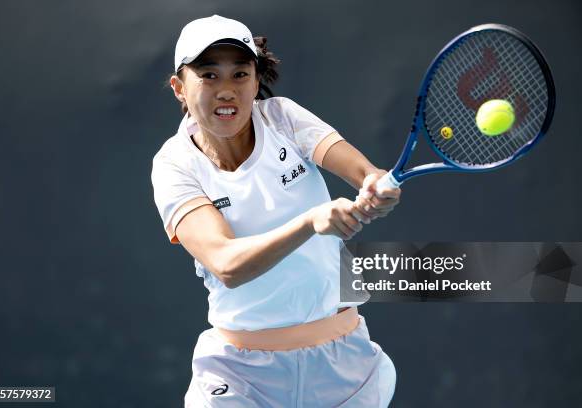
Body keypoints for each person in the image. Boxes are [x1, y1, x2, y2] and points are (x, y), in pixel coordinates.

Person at [151, 15, 401, 407]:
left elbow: (362, 173)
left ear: (255, 80)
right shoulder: (174, 165)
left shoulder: (282, 117)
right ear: (179, 88)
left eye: (240, 74)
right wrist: (311, 222)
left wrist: (373, 184)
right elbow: (226, 263)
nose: (226, 90)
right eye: (209, 75)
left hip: (343, 369)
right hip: (240, 376)